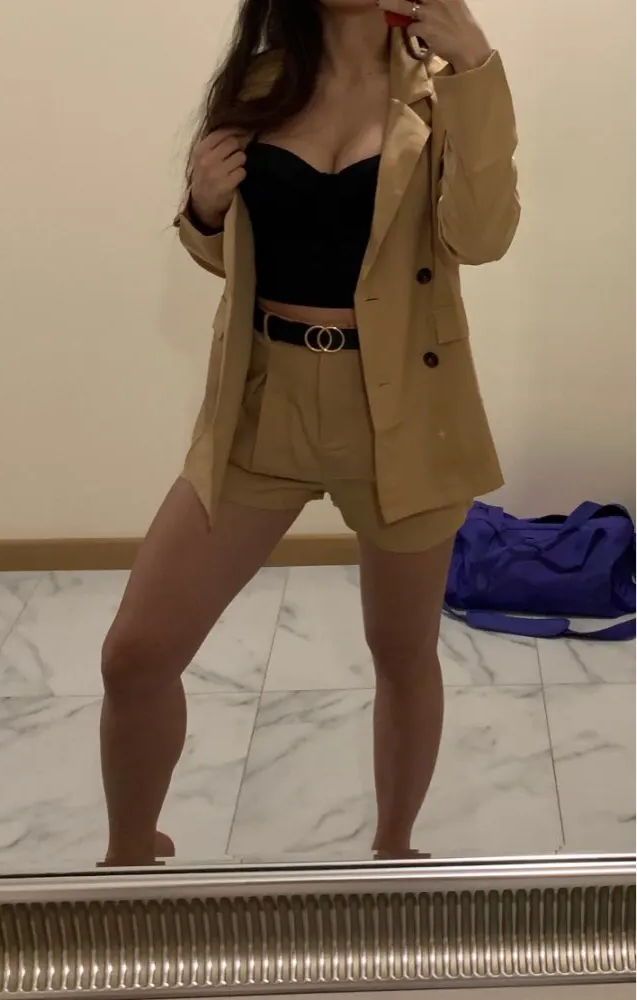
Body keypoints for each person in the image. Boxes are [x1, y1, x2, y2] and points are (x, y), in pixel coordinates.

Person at [100, 0, 520, 866]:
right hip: (264, 402)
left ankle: (393, 852)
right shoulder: (257, 86)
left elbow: (483, 238)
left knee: (400, 651)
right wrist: (204, 210)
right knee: (135, 655)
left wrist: (477, 67)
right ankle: (128, 859)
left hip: (405, 408)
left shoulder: (444, 90)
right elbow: (227, 255)